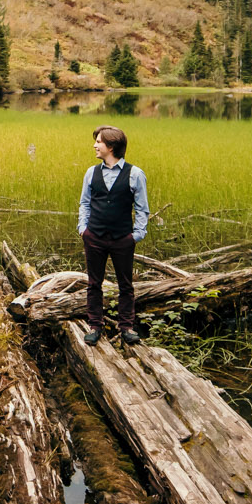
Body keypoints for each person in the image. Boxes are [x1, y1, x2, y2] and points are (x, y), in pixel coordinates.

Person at [77, 124, 148, 345]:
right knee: (93, 284)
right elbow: (84, 204)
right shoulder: (91, 172)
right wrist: (83, 230)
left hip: (122, 239)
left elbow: (142, 208)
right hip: (94, 236)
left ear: (111, 146)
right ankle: (94, 326)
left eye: (99, 141)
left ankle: (126, 327)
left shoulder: (135, 174)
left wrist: (136, 235)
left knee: (125, 284)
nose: (95, 145)